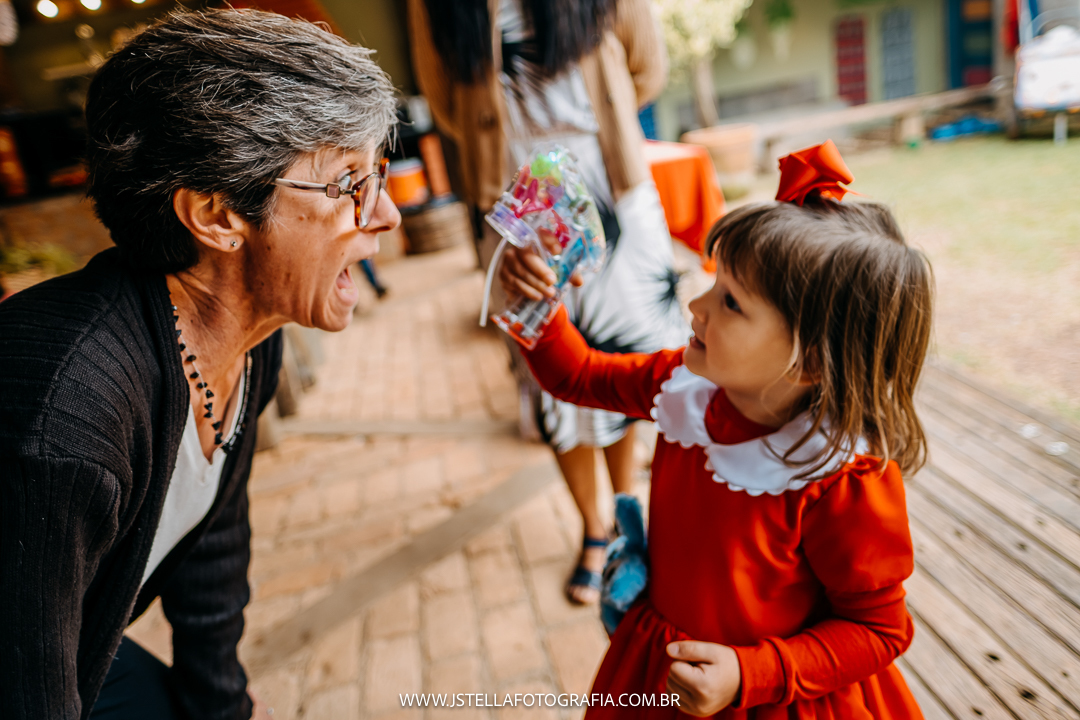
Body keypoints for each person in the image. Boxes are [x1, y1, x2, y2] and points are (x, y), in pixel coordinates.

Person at [0, 10, 399, 719]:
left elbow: (213, 545)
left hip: (69, 646)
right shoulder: (68, 418)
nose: (387, 214)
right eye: (348, 183)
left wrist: (225, 709)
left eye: (378, 173)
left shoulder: (248, 337)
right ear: (216, 215)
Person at [500, 142, 931, 718]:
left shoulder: (842, 476)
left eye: (730, 302)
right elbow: (577, 375)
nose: (695, 306)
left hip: (772, 694)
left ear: (807, 361)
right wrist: (538, 304)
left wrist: (753, 672)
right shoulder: (682, 383)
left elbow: (877, 629)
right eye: (711, 282)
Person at [408, 0, 689, 604]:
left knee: (622, 358)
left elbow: (647, 65)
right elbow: (447, 102)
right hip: (519, 202)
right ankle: (592, 526)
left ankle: (624, 514)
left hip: (611, 183)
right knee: (548, 376)